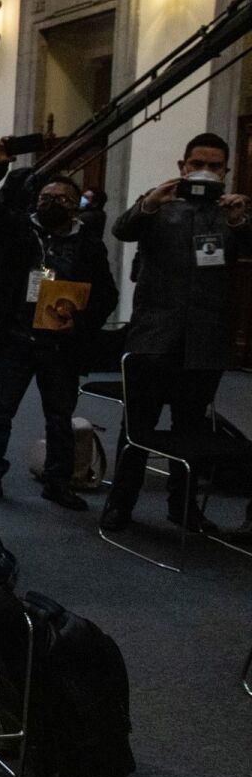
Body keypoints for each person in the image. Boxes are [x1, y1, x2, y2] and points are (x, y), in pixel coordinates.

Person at [103, 132, 252, 534]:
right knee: (137, 427)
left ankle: (183, 508)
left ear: (226, 171)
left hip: (205, 342)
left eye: (214, 165)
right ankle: (120, 505)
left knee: (192, 432)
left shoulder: (231, 214)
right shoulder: (158, 208)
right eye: (196, 163)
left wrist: (240, 220)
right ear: (181, 166)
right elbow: (121, 230)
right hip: (153, 338)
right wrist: (149, 203)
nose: (204, 171)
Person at [0, 138, 117, 510]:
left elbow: (107, 295)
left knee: (60, 417)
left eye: (64, 199)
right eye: (47, 197)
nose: (54, 203)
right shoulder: (17, 229)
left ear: (76, 206)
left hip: (61, 345)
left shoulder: (89, 244)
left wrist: (79, 320)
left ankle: (58, 481)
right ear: (36, 201)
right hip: (15, 337)